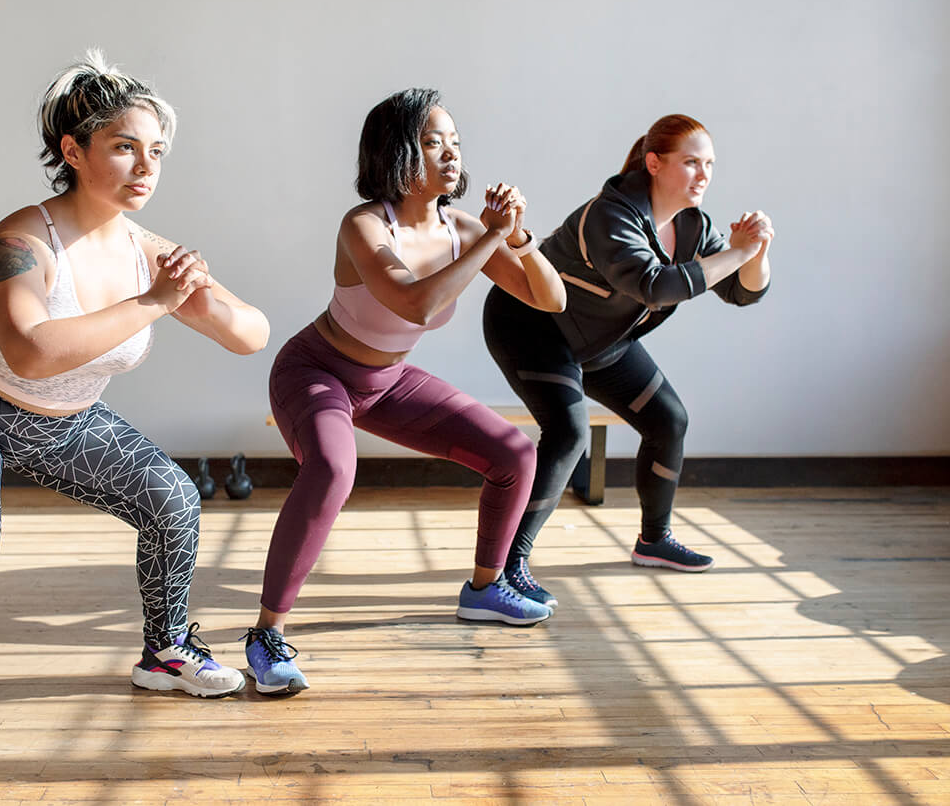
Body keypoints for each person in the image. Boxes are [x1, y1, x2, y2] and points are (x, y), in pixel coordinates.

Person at [0, 52, 270, 790]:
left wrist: (196, 296)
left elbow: (251, 334)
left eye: (156, 151)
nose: (145, 166)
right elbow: (30, 352)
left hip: (65, 421)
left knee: (174, 499)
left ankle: (164, 653)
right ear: (73, 151)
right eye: (124, 146)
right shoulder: (21, 241)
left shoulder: (147, 253)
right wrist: (154, 303)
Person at [242, 88, 568, 696]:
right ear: (396, 152)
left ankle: (484, 589)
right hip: (317, 371)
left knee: (514, 452)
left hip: (388, 381)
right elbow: (416, 302)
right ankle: (266, 634)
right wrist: (488, 239)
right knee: (335, 470)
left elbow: (552, 299)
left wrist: (516, 237)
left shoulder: (464, 228)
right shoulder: (365, 224)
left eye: (455, 141)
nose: (450, 153)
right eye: (431, 141)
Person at [482, 114, 773, 603]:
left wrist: (757, 251)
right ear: (654, 163)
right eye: (691, 163)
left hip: (601, 339)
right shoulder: (610, 214)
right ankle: (508, 565)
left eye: (710, 165)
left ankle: (654, 541)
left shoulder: (692, 225)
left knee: (669, 420)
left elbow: (742, 295)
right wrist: (737, 253)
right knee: (569, 432)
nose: (703, 175)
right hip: (531, 327)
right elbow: (656, 287)